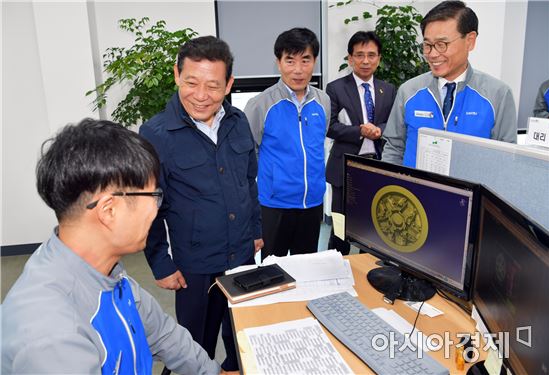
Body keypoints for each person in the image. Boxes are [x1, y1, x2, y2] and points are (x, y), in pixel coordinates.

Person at [1, 119, 227, 374]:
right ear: (108, 210)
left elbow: (165, 335)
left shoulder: (106, 270)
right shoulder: (50, 335)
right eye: (153, 196)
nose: (157, 207)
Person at [139, 36, 262, 372]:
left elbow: (249, 182)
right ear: (177, 75)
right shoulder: (156, 133)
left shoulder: (237, 123)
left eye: (213, 85)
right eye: (191, 82)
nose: (201, 95)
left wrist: (255, 230)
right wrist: (160, 262)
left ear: (229, 84)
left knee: (241, 337)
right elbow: (148, 204)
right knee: (193, 347)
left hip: (241, 255)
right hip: (195, 263)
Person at [382, 0, 517, 167]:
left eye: (441, 45)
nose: (432, 54)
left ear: (470, 41)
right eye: (427, 45)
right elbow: (394, 149)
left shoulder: (497, 95)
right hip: (414, 191)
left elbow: (506, 161)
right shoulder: (409, 91)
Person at [244, 27, 330, 260]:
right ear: (278, 62)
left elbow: (317, 145)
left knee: (307, 269)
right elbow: (249, 154)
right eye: (290, 60)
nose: (298, 70)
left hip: (312, 202)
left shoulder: (323, 101)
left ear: (315, 61)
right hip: (275, 204)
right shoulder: (260, 104)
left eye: (306, 60)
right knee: (275, 273)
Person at [325, 31, 396, 255]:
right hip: (344, 166)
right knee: (340, 225)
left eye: (371, 55)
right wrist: (360, 131)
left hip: (377, 165)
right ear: (350, 59)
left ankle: (367, 265)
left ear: (379, 59)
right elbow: (330, 126)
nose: (366, 61)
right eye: (360, 55)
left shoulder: (389, 89)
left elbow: (393, 123)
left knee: (373, 223)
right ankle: (337, 263)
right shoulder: (335, 88)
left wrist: (379, 130)